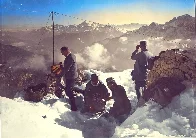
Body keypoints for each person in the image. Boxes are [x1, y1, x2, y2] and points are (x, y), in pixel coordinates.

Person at [61, 46, 78, 111]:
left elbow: (67, 68)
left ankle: (74, 107)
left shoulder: (70, 57)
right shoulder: (70, 56)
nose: (62, 54)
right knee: (69, 89)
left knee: (69, 90)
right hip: (70, 76)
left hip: (71, 76)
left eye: (62, 52)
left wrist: (60, 74)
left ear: (66, 51)